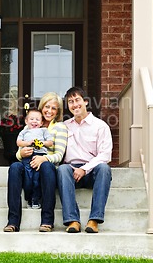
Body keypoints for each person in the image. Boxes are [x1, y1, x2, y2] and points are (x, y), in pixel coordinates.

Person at [3, 92, 68, 233]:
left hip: (46, 168)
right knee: (14, 167)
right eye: (47, 107)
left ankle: (47, 220)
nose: (49, 111)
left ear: (58, 112)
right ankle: (13, 221)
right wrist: (20, 154)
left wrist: (44, 158)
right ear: (41, 107)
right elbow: (20, 149)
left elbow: (59, 155)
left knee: (46, 166)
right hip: (28, 164)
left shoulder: (60, 127)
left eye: (54, 108)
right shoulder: (31, 125)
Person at [57, 87, 112, 233]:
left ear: (85, 102)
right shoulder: (64, 126)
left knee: (104, 168)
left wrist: (85, 169)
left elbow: (105, 155)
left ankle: (94, 220)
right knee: (62, 169)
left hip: (92, 170)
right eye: (70, 102)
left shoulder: (100, 126)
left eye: (77, 100)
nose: (74, 104)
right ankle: (73, 221)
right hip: (70, 171)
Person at [16, 108, 53, 209]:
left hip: (39, 156)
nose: (34, 121)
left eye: (37, 119)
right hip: (27, 157)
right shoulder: (24, 131)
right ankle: (29, 198)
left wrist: (41, 143)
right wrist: (28, 143)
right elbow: (18, 142)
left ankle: (36, 199)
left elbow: (50, 143)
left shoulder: (43, 130)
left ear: (41, 122)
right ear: (26, 121)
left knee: (37, 179)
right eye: (31, 119)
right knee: (28, 178)